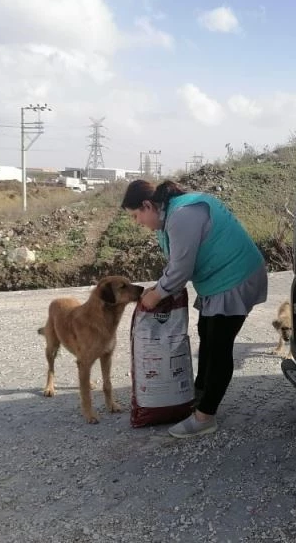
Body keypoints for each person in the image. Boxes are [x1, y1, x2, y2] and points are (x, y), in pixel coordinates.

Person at [121, 179, 268, 438]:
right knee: (206, 337)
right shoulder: (167, 219)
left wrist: (158, 294)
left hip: (236, 278)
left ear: (147, 205)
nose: (137, 222)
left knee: (218, 346)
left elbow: (181, 270)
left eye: (136, 216)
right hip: (216, 282)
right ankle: (199, 397)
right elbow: (176, 263)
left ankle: (205, 417)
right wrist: (158, 287)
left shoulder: (182, 215)